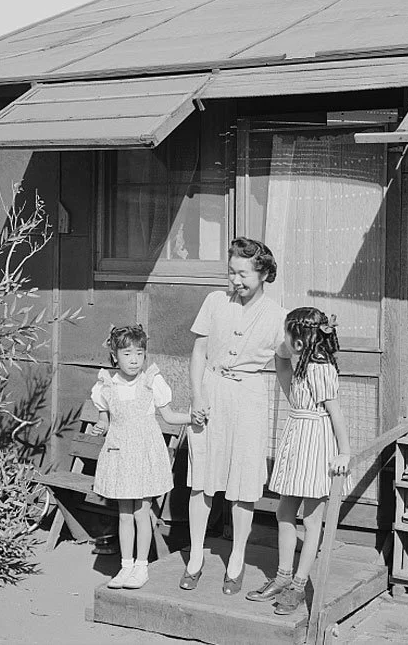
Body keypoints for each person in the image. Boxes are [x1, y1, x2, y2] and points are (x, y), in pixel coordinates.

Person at [182, 237, 290, 595]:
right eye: (231, 272)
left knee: (244, 481)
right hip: (211, 392)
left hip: (249, 397)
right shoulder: (215, 301)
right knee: (202, 477)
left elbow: (284, 363)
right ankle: (195, 557)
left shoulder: (277, 316)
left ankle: (237, 559)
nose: (235, 281)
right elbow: (198, 353)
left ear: (262, 273)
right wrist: (197, 396)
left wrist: (301, 406)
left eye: (242, 273)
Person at [245, 307, 351, 615]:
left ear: (302, 341)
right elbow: (281, 365)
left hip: (317, 444)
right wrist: (287, 345)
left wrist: (344, 452)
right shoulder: (302, 367)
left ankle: (299, 584)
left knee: (312, 519)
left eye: (288, 334)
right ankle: (282, 577)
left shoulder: (321, 369)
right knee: (284, 512)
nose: (284, 339)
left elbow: (336, 413)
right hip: (297, 438)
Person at [89, 324, 194, 590]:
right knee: (124, 513)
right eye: (126, 353)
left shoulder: (152, 381)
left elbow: (169, 416)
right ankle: (125, 567)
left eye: (139, 353)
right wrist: (99, 427)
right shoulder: (106, 386)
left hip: (145, 453)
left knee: (141, 511)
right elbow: (104, 421)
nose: (134, 359)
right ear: (114, 356)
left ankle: (141, 566)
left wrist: (194, 418)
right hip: (120, 454)